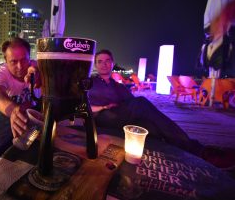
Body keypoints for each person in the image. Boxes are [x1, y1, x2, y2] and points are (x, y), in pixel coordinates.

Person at [88, 49, 235, 169]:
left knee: (153, 127)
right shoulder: (90, 82)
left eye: (107, 61)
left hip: (121, 117)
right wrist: (103, 107)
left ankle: (186, 156)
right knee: (141, 103)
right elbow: (84, 105)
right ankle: (199, 150)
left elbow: (131, 104)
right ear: (95, 64)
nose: (104, 64)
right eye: (100, 61)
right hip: (103, 116)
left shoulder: (119, 86)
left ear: (112, 63)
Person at [0, 37, 40, 138]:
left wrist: (41, 76)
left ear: (29, 57)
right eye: (13, 61)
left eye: (24, 60)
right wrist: (13, 111)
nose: (20, 66)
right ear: (6, 61)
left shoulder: (37, 67)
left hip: (37, 124)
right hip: (9, 127)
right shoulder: (0, 73)